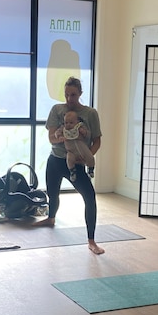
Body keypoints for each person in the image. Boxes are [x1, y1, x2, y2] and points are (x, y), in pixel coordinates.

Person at [36, 76, 105, 255]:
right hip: (55, 160)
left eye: (73, 95)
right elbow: (51, 138)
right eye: (66, 95)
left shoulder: (90, 114)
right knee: (52, 194)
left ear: (80, 94)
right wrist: (61, 137)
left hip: (75, 161)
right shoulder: (57, 109)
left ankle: (91, 240)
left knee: (89, 197)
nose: (69, 99)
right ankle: (51, 218)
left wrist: (87, 156)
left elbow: (97, 141)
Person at [58, 109, 96, 182]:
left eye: (71, 122)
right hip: (71, 151)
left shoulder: (79, 127)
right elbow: (57, 133)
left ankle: (91, 169)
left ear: (77, 122)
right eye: (66, 122)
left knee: (90, 157)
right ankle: (72, 171)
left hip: (82, 149)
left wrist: (84, 132)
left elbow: (88, 135)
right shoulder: (63, 129)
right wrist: (60, 137)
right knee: (69, 159)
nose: (68, 124)